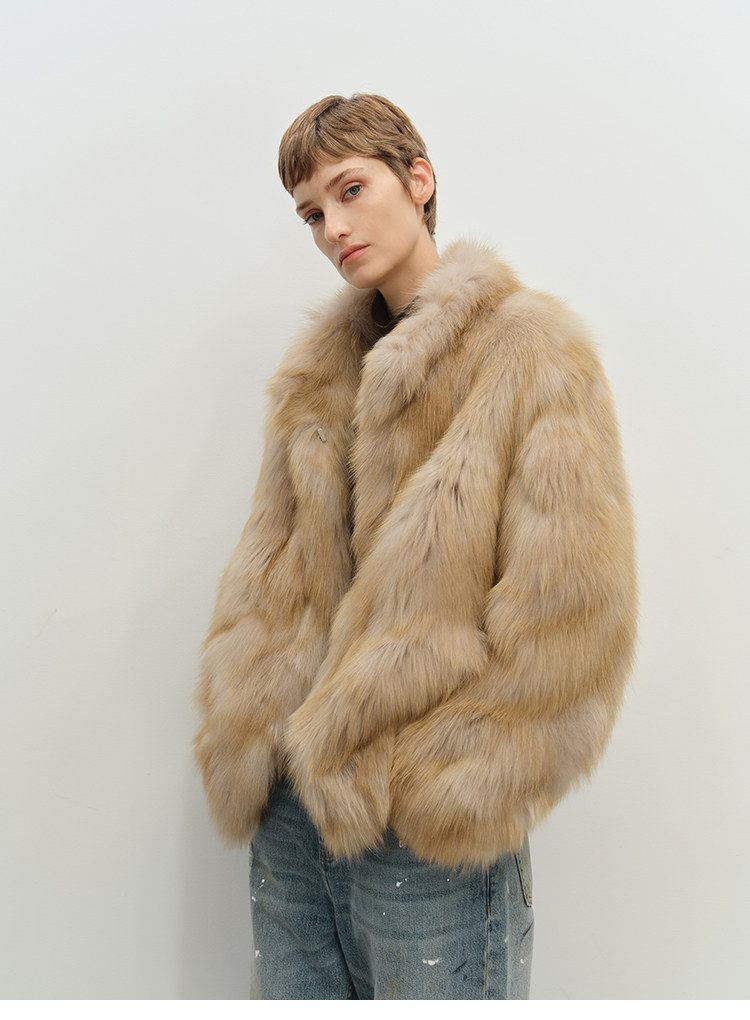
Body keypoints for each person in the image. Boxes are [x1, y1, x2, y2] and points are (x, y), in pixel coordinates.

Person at [194, 94, 637, 1000]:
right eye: (311, 213)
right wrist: (251, 715)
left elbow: (573, 610)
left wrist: (448, 782)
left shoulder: (531, 354)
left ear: (419, 180)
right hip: (292, 812)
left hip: (421, 831)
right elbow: (271, 571)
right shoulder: (314, 378)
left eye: (351, 190)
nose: (332, 228)